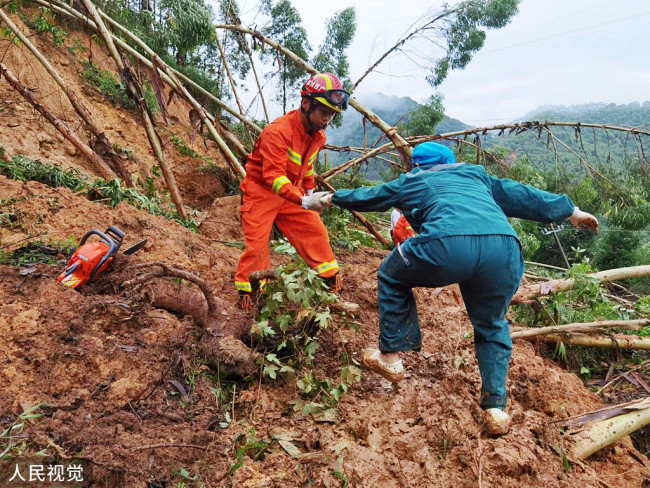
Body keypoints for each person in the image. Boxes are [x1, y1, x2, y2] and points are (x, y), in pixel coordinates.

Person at [311, 142, 599, 435]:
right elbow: (523, 195)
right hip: (504, 250)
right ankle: (496, 409)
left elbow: (373, 195)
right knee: (492, 323)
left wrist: (330, 198)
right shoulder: (476, 176)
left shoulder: (415, 179)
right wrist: (572, 211)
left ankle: (391, 358)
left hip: (447, 245)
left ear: (417, 166)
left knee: (390, 274)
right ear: (452, 162)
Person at [234, 73, 348, 311]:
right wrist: (304, 200)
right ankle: (250, 293)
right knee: (256, 246)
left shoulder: (318, 135)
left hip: (293, 191)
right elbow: (273, 177)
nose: (327, 118)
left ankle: (329, 280)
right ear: (306, 104)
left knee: (315, 230)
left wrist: (309, 190)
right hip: (262, 192)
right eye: (323, 112)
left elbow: (307, 165)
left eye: (331, 114)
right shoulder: (277, 131)